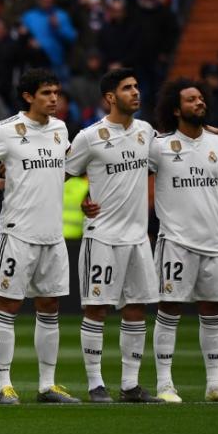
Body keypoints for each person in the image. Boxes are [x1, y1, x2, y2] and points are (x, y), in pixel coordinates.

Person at [0, 68, 79, 404]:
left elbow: (59, 171)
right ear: (28, 97)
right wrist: (3, 182)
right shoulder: (5, 131)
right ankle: (4, 384)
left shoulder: (60, 130)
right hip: (17, 233)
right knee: (8, 306)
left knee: (49, 307)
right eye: (47, 93)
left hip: (52, 235)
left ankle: (47, 385)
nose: (54, 99)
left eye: (56, 92)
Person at [64, 67, 162, 403]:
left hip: (137, 238)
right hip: (102, 236)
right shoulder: (89, 136)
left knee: (136, 308)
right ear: (110, 97)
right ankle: (95, 384)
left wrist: (208, 131)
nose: (136, 92)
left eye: (137, 86)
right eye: (127, 88)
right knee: (97, 308)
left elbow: (179, 145)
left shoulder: (146, 132)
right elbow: (61, 174)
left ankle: (130, 385)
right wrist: (80, 200)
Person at [149, 79, 218, 403]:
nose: (199, 102)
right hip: (175, 240)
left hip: (214, 242)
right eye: (191, 100)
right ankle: (165, 384)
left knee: (213, 311)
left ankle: (215, 385)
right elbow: (134, 176)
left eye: (201, 98)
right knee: (169, 309)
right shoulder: (160, 146)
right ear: (176, 109)